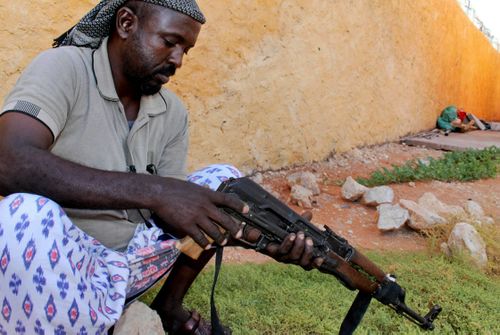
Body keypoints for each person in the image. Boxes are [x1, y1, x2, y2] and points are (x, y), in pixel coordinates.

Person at [0, 1, 321, 334]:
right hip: (64, 267)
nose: (178, 60)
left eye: (186, 50)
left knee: (223, 183)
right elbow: (8, 160)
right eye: (169, 42)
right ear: (126, 23)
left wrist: (258, 239)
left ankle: (166, 308)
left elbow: (180, 215)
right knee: (23, 212)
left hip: (132, 264)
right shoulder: (64, 68)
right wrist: (154, 190)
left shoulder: (172, 113)